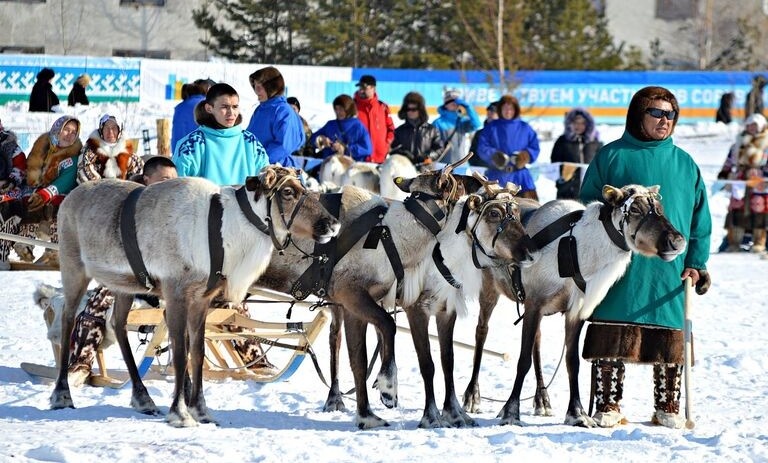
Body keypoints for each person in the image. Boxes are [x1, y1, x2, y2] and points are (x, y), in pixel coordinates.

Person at [579, 86, 712, 429]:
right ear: (639, 115)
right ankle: (608, 403)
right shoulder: (611, 156)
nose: (664, 120)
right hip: (616, 265)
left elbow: (700, 219)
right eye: (656, 113)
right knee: (611, 326)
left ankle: (667, 404)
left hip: (669, 267)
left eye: (670, 114)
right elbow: (587, 210)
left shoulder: (685, 163)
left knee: (669, 330)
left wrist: (696, 262)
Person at [65, 156, 178, 383]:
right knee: (101, 301)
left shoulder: (175, 209)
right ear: (147, 180)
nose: (170, 186)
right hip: (125, 275)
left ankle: (252, 355)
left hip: (163, 282)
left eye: (174, 181)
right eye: (164, 180)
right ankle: (81, 361)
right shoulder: (126, 204)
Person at [0, 116, 82, 268]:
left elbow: (67, 179)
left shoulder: (73, 156)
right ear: (58, 129)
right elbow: (27, 172)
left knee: (59, 207)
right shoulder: (41, 147)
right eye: (66, 130)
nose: (70, 135)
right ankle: (24, 244)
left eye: (74, 132)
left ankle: (55, 250)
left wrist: (46, 193)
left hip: (62, 194)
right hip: (37, 190)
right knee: (23, 202)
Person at [173, 82, 269, 184]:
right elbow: (177, 187)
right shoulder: (192, 144)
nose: (231, 113)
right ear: (209, 108)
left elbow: (265, 178)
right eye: (224, 107)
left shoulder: (251, 141)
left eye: (235, 106)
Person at [719, 113, 768, 253]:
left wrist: (764, 176)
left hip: (759, 182)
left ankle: (760, 242)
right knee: (736, 208)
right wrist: (724, 174)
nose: (752, 128)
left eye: (755, 125)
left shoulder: (766, 143)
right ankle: (734, 242)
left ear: (762, 126)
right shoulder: (738, 142)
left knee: (759, 209)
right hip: (739, 181)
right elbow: (729, 162)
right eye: (749, 125)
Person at [476, 95, 540, 199]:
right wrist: (494, 156)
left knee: (530, 211)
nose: (508, 111)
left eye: (511, 109)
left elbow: (534, 147)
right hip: (496, 177)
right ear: (500, 110)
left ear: (516, 110)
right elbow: (482, 147)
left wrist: (525, 156)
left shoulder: (525, 128)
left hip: (521, 177)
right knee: (494, 211)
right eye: (505, 108)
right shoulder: (491, 127)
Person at [246, 66, 305, 168]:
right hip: (256, 167)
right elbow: (250, 137)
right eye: (255, 86)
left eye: (260, 86)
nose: (256, 91)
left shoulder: (283, 111)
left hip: (278, 170)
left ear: (271, 87)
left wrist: (258, 160)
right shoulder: (260, 109)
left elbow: (283, 145)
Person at [550, 107, 603, 199]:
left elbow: (602, 165)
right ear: (570, 124)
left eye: (583, 123)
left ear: (588, 125)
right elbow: (554, 163)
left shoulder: (595, 143)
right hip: (566, 190)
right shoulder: (562, 141)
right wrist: (562, 179)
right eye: (576, 122)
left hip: (590, 190)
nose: (579, 126)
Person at [77, 114, 144, 184]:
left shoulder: (127, 151)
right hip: (97, 192)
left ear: (119, 130)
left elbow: (139, 172)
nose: (110, 132)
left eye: (114, 128)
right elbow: (84, 175)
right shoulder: (91, 149)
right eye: (106, 128)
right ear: (101, 130)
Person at [309, 94, 372, 161]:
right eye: (336, 109)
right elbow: (312, 139)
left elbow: (367, 149)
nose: (338, 112)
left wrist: (345, 149)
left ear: (349, 109)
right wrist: (321, 140)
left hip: (350, 168)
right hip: (329, 166)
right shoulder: (331, 125)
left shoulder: (358, 126)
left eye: (341, 109)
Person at [389, 91, 443, 165]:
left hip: (426, 171)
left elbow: (439, 149)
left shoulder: (432, 130)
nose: (410, 112)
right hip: (405, 170)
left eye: (413, 109)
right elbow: (393, 150)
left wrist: (427, 156)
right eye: (408, 109)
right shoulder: (399, 131)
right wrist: (404, 154)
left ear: (420, 110)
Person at [353, 74, 395, 163]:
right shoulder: (352, 107)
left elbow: (391, 129)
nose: (361, 90)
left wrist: (386, 144)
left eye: (364, 88)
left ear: (373, 88)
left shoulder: (383, 107)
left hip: (380, 158)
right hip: (359, 159)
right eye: (359, 87)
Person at [433, 89, 482, 164]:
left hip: (460, 164)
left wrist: (468, 107)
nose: (454, 103)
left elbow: (477, 124)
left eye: (456, 101)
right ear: (445, 104)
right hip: (442, 165)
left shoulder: (462, 121)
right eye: (450, 101)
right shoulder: (438, 123)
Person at [171, 80, 206, 153]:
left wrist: (176, 154)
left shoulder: (180, 108)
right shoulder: (210, 104)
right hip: (207, 151)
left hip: (186, 152)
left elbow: (177, 135)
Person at [469, 102, 498, 167]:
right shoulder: (479, 133)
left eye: (493, 111)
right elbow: (472, 155)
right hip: (481, 172)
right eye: (488, 110)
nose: (490, 113)